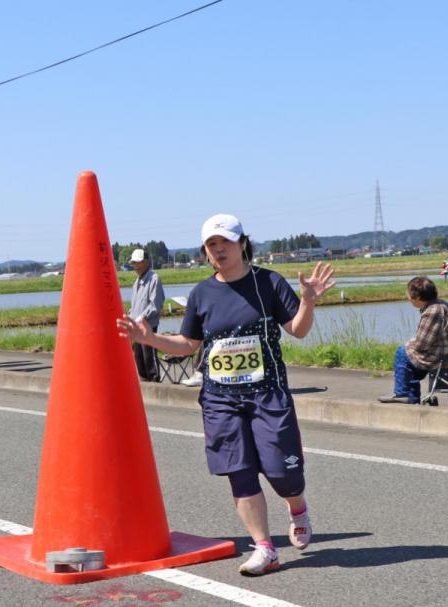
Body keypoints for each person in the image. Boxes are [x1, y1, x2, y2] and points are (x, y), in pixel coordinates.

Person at [117, 213, 335, 576]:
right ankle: (265, 548)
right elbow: (188, 344)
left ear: (242, 244)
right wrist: (149, 339)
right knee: (240, 471)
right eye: (211, 244)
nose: (218, 249)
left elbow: (297, 330)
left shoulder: (268, 283)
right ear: (205, 251)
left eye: (225, 242)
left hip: (268, 394)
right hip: (220, 398)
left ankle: (296, 506)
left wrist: (308, 302)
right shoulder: (203, 293)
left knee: (283, 473)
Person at [378, 276, 448, 404]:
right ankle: (411, 400)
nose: (407, 297)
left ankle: (402, 394)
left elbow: (421, 345)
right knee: (409, 357)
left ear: (417, 297)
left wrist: (408, 344)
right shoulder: (440, 304)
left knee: (402, 353)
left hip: (447, 357)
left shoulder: (432, 312)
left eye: (408, 293)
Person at [128, 248, 165, 381]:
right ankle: (144, 386)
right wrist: (129, 319)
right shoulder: (136, 283)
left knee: (149, 357)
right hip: (136, 328)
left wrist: (140, 317)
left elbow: (156, 304)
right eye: (134, 263)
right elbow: (134, 307)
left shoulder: (154, 278)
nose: (136, 266)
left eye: (139, 262)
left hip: (148, 326)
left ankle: (155, 383)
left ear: (146, 262)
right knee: (138, 357)